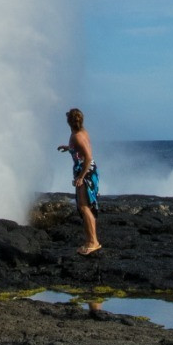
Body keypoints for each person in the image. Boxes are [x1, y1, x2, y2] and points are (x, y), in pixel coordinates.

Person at [57, 107, 100, 255]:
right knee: (86, 206)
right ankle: (91, 240)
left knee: (84, 207)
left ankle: (93, 242)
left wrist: (81, 177)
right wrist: (68, 148)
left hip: (86, 172)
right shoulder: (80, 133)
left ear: (69, 121)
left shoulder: (77, 136)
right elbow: (80, 150)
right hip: (88, 171)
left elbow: (87, 157)